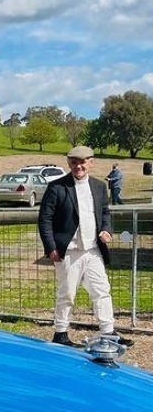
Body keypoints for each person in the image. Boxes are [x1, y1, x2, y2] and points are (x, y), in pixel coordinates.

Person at [38, 145, 132, 347]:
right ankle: (61, 333)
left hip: (93, 250)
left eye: (82, 162)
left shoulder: (99, 186)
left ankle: (108, 332)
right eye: (74, 162)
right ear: (68, 163)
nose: (78, 166)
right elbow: (44, 220)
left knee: (102, 290)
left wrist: (106, 230)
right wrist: (51, 247)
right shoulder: (56, 188)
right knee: (67, 293)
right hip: (68, 252)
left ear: (91, 162)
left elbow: (105, 213)